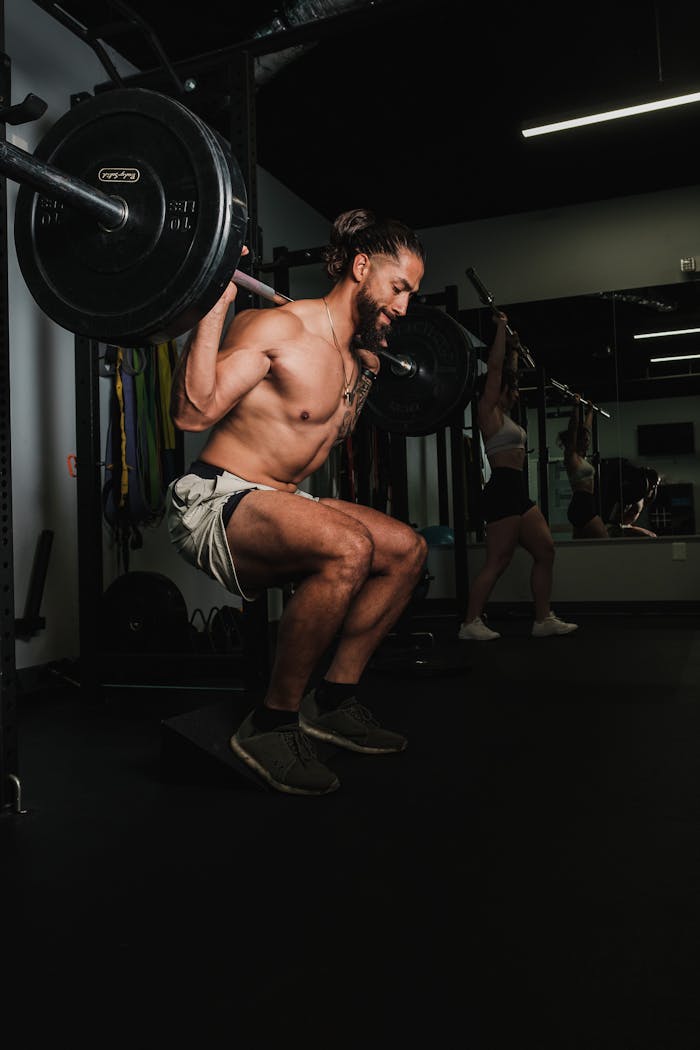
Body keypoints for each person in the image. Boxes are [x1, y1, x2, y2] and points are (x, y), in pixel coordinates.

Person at [165, 208, 428, 796]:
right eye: (399, 288)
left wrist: (361, 378)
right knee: (347, 548)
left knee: (406, 551)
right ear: (362, 268)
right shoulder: (278, 330)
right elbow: (190, 412)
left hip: (280, 499)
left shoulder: (356, 360)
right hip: (215, 500)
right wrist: (215, 302)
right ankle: (273, 721)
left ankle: (331, 699)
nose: (404, 307)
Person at [458, 311, 578, 641]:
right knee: (499, 559)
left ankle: (542, 619)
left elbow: (506, 370)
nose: (517, 394)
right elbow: (496, 370)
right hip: (501, 489)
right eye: (513, 390)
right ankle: (470, 623)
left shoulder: (507, 417)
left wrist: (512, 345)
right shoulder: (488, 410)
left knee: (545, 551)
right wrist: (499, 329)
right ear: (498, 392)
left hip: (517, 489)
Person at [556, 394, 609, 539]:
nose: (588, 441)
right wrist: (576, 406)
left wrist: (590, 411)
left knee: (582, 548)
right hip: (582, 505)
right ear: (578, 440)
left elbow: (586, 428)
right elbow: (574, 428)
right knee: (606, 542)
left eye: (588, 439)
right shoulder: (571, 456)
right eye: (585, 439)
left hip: (584, 505)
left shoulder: (582, 458)